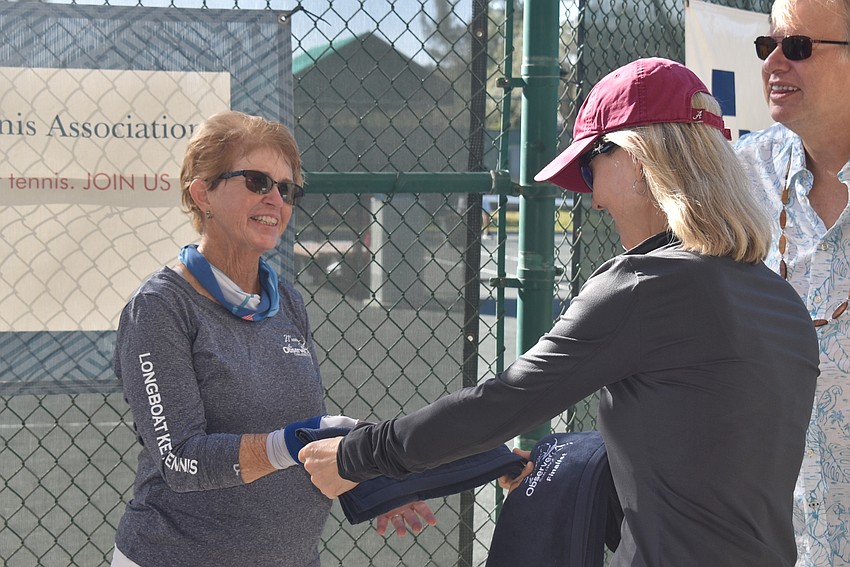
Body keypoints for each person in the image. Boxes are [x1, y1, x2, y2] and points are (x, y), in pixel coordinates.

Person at [299, 58, 822, 567]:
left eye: (591, 166)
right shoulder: (782, 302)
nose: (594, 200)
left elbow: (503, 403)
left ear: (636, 157)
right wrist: (562, 463)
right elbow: (706, 465)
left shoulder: (645, 283)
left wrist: (357, 456)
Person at [110, 110, 434, 567]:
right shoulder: (160, 306)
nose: (275, 199)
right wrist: (294, 443)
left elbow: (302, 443)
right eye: (257, 181)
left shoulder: (287, 302)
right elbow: (181, 461)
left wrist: (371, 480)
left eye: (287, 188)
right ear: (202, 193)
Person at [735, 1, 850, 564]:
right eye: (768, 45)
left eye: (798, 47)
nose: (773, 62)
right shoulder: (739, 176)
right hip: (775, 540)